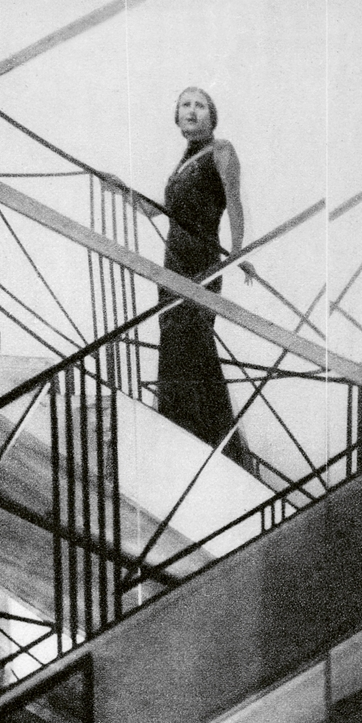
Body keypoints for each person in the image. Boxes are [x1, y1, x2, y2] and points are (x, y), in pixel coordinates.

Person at [157, 87, 254, 467]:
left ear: (212, 116)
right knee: (174, 344)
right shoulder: (181, 163)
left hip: (201, 264)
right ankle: (176, 432)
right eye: (185, 104)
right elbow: (162, 213)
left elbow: (234, 200)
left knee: (193, 348)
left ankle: (212, 445)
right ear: (176, 115)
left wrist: (238, 250)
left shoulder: (221, 150)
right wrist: (120, 188)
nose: (191, 111)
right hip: (171, 264)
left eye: (200, 105)